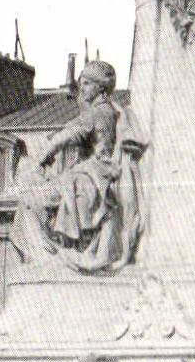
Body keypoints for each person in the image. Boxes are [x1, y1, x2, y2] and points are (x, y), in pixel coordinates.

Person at [10, 61, 148, 277]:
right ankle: (51, 256)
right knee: (34, 201)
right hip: (94, 173)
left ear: (100, 88)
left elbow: (66, 137)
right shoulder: (106, 111)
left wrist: (39, 161)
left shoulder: (98, 113)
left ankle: (49, 258)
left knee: (31, 202)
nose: (81, 89)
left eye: (86, 84)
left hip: (92, 175)